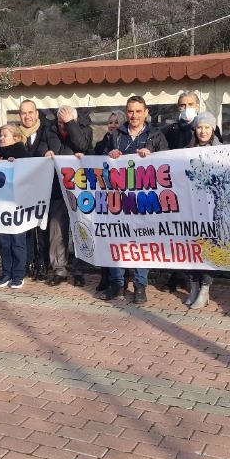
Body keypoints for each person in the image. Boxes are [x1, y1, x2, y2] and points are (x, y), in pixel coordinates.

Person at [101, 95, 169, 304]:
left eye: (138, 111)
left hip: (145, 201)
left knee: (142, 242)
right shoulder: (116, 135)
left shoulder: (155, 135)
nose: (134, 115)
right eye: (130, 111)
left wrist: (153, 155)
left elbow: (168, 163)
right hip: (119, 200)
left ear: (146, 112)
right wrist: (109, 154)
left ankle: (140, 286)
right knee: (118, 240)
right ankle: (117, 284)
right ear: (126, 112)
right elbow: (101, 162)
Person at [44, 105, 93, 286]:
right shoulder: (49, 131)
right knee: (57, 230)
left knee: (80, 229)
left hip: (78, 189)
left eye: (65, 122)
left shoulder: (85, 129)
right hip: (57, 188)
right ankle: (59, 269)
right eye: (59, 122)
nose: (61, 125)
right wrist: (44, 152)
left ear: (74, 120)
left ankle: (79, 270)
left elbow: (83, 145)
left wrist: (71, 125)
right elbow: (41, 148)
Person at [184, 112, 221, 309]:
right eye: (199, 127)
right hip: (190, 207)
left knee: (207, 248)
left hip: (212, 209)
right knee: (191, 247)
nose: (203, 131)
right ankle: (193, 286)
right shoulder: (186, 151)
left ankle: (205, 288)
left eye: (207, 127)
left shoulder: (222, 151)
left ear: (213, 129)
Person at [0, 124, 29, 289]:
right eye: (1, 136)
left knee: (18, 242)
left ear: (16, 138)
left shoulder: (24, 155)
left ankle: (18, 275)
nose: (1, 138)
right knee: (4, 242)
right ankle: (6, 273)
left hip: (17, 206)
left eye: (5, 136)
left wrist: (18, 164)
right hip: (1, 206)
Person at [92, 110, 126, 293]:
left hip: (123, 197)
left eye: (116, 122)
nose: (112, 125)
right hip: (104, 195)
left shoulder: (125, 142)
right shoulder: (100, 144)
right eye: (110, 122)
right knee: (104, 238)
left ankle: (122, 278)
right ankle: (105, 275)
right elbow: (92, 162)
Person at [18, 100, 50, 280]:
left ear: (37, 114)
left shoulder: (47, 131)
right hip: (23, 189)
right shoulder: (15, 134)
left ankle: (43, 264)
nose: (27, 116)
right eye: (24, 113)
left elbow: (48, 150)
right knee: (27, 228)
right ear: (19, 115)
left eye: (30, 112)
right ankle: (28, 263)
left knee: (42, 229)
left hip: (43, 188)